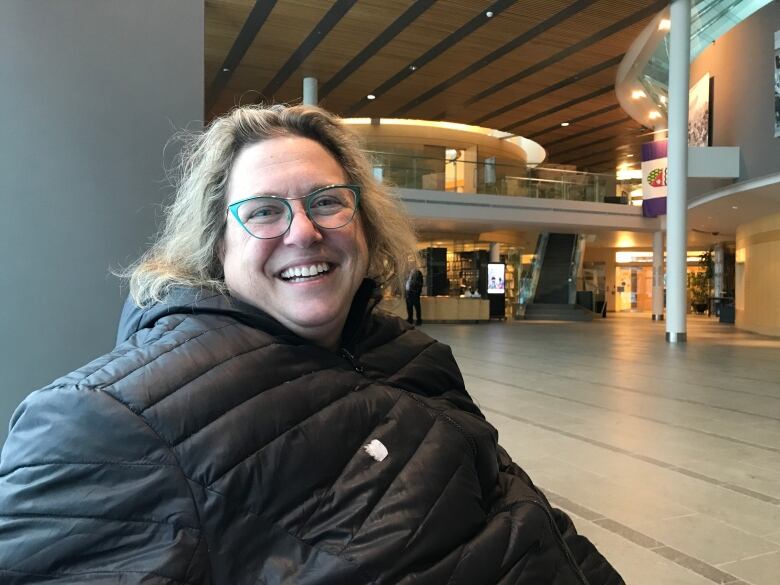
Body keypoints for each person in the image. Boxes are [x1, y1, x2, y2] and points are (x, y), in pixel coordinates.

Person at [0, 104, 623, 584]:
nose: (304, 230)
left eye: (328, 202)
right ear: (217, 242)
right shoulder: (108, 419)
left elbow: (521, 516)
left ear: (363, 221)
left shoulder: (406, 354)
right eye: (265, 212)